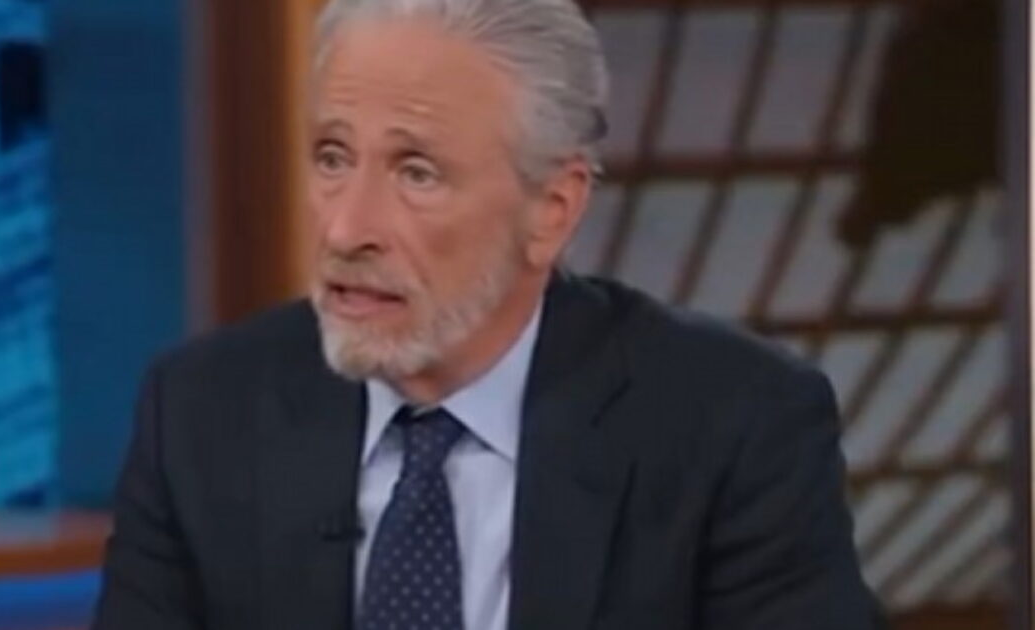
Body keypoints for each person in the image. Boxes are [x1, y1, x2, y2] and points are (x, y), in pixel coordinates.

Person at [92, 1, 879, 628]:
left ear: (551, 210)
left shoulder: (733, 423)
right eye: (332, 157)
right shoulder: (201, 412)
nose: (345, 228)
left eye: (417, 172)